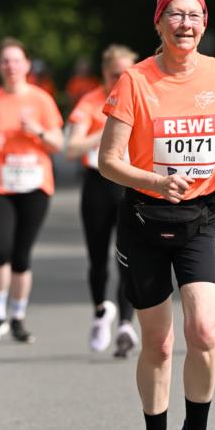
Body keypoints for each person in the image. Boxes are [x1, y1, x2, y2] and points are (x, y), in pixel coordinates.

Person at [99, 0, 215, 430]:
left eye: (193, 15)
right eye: (175, 15)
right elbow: (108, 161)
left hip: (200, 218)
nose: (184, 24)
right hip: (145, 219)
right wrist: (154, 182)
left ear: (204, 23)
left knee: (204, 332)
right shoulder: (135, 80)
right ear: (159, 23)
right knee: (160, 343)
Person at [0, 38, 64, 344]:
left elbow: (58, 143)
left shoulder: (42, 100)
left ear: (26, 65)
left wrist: (36, 130)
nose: (11, 66)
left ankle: (17, 316)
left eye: (16, 60)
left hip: (34, 185)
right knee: (0, 249)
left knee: (21, 254)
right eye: (5, 61)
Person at [66, 45, 140, 356]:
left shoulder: (141, 97)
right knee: (98, 258)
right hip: (97, 184)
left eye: (125, 73)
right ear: (104, 73)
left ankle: (125, 324)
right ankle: (101, 313)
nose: (119, 79)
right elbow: (71, 148)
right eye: (113, 74)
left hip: (129, 184)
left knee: (129, 257)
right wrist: (108, 129)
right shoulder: (91, 101)